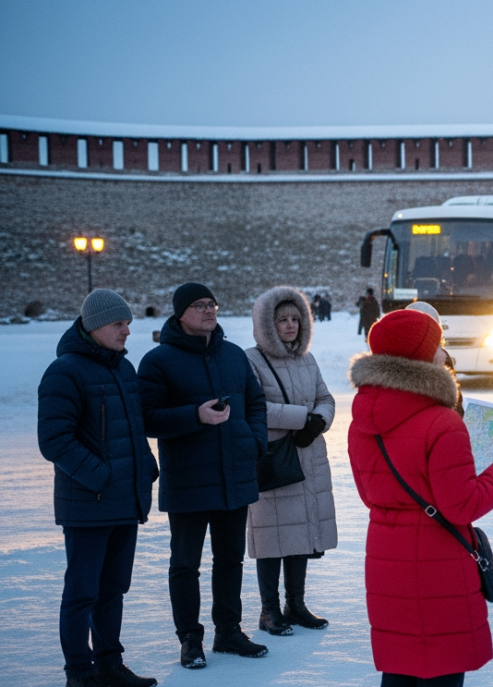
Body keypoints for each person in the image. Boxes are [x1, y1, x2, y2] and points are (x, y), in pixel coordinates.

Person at [347, 310, 493, 687]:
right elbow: (463, 505)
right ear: (422, 356)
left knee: (400, 669)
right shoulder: (442, 422)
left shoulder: (361, 421)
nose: (445, 354)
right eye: (439, 345)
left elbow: (369, 494)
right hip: (439, 560)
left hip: (386, 557)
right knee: (442, 670)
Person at [138, 283, 269, 668]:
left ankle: (228, 632)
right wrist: (194, 415)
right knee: (185, 564)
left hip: (235, 474)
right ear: (181, 313)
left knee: (230, 561)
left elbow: (256, 402)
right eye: (200, 305)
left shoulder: (232, 355)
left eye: (212, 304)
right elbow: (146, 418)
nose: (210, 311)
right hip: (188, 479)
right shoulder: (158, 361)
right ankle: (190, 639)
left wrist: (254, 441)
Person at [38, 290, 159, 687]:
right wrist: (101, 477)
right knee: (82, 592)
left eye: (127, 323)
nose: (127, 330)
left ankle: (109, 664)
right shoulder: (65, 371)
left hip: (125, 499)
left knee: (113, 591)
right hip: (89, 503)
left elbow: (134, 429)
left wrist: (145, 468)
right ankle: (80, 673)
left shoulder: (124, 370)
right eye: (118, 324)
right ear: (94, 327)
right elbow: (55, 440)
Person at [244, 287, 338, 637]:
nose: (290, 326)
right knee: (271, 538)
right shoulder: (251, 360)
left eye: (295, 319)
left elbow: (326, 398)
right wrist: (303, 418)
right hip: (274, 459)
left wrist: (318, 422)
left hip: (308, 455)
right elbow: (254, 408)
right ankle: (269, 610)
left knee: (299, 533)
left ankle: (294, 604)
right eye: (282, 320)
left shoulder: (307, 360)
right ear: (268, 324)